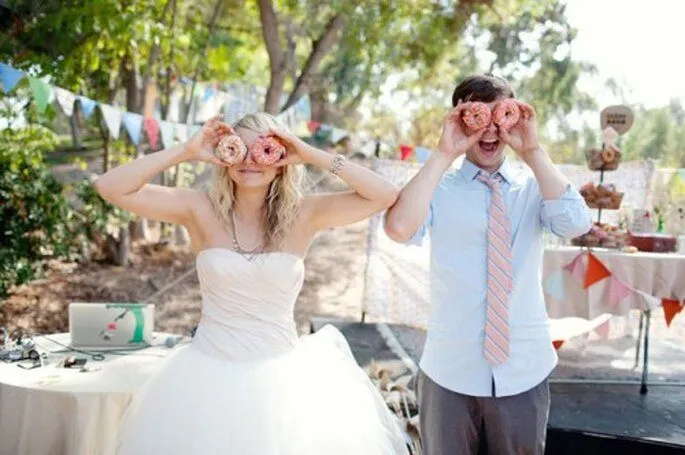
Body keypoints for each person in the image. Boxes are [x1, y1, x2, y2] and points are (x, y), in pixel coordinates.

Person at [94, 112, 409, 454]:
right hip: (204, 379)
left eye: (263, 150)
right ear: (222, 157)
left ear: (281, 160)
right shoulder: (197, 208)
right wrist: (186, 150)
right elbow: (109, 186)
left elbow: (385, 194)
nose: (249, 160)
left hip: (284, 381)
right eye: (236, 149)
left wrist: (309, 153)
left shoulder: (306, 213)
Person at [384, 74, 592, 455]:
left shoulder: (534, 188)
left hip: (524, 370)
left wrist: (533, 151)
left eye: (502, 118)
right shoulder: (438, 189)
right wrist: (444, 153)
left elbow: (577, 224)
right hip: (450, 369)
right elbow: (398, 228)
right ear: (459, 120)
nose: (491, 132)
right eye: (477, 119)